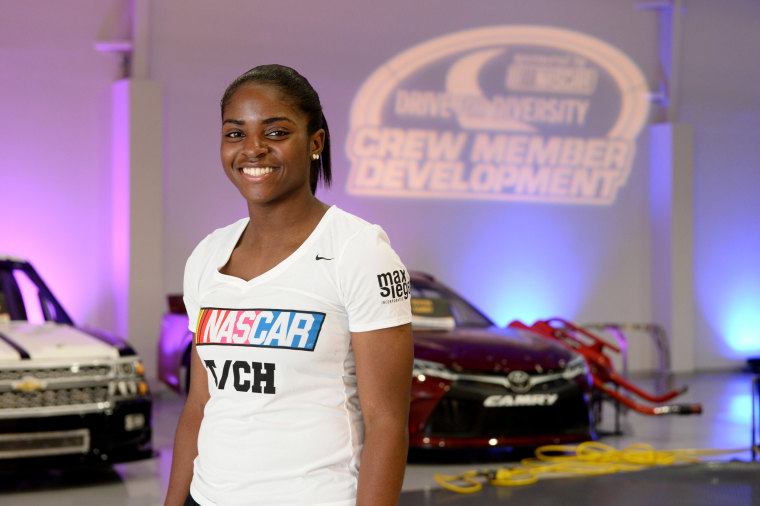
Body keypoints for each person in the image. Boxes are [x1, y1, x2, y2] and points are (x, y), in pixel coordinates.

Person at [164, 64, 413, 506]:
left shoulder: (359, 251)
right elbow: (199, 405)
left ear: (315, 142)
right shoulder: (207, 255)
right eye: (235, 134)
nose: (253, 149)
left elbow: (387, 421)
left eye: (276, 132)